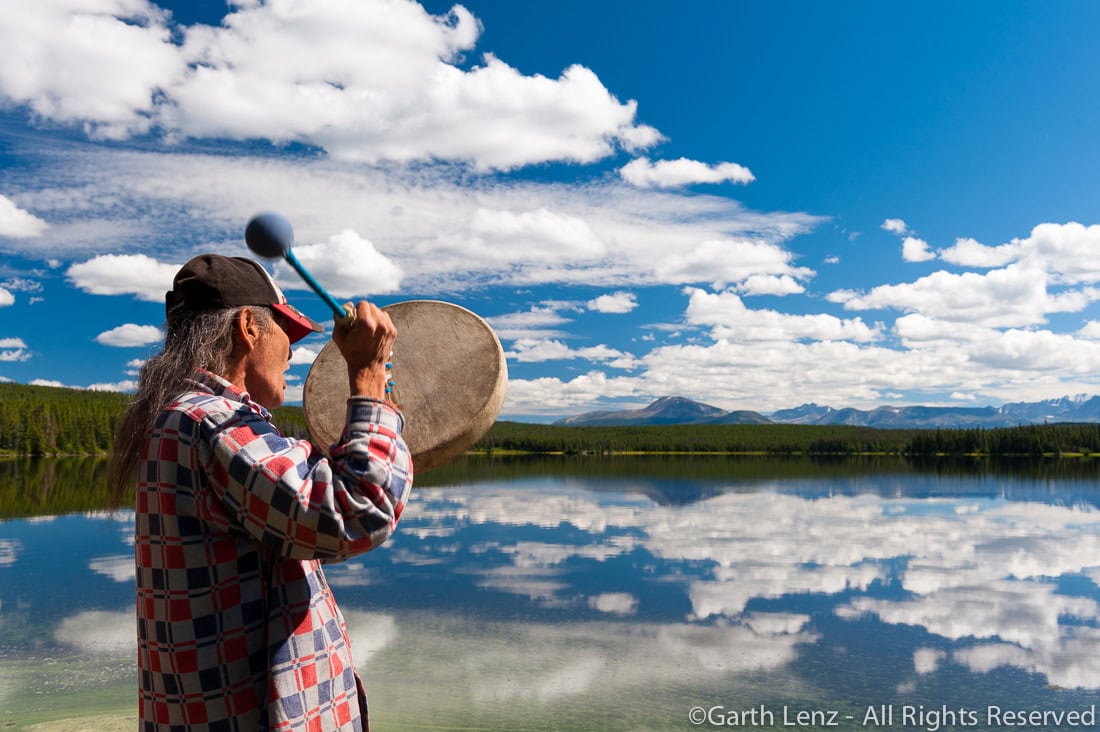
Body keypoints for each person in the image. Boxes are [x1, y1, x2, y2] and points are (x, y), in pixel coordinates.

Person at [108, 253, 413, 731]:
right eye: (285, 335)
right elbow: (357, 511)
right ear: (249, 328)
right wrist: (369, 378)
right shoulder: (212, 421)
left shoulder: (182, 418)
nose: (292, 354)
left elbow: (300, 519)